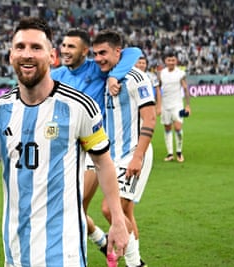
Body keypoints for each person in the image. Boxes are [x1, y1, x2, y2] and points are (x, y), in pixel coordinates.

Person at [0, 17, 129, 267]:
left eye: (36, 48)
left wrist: (118, 220)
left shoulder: (79, 106)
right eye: (20, 47)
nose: (27, 54)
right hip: (15, 250)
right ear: (10, 55)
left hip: (64, 252)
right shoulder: (0, 109)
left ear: (52, 56)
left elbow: (103, 164)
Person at [50, 28, 142, 258]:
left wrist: (113, 75)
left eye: (72, 46)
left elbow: (133, 53)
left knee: (90, 208)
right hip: (67, 152)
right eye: (63, 45)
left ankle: (128, 258)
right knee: (71, 209)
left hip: (94, 150)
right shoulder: (56, 76)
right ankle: (101, 240)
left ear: (85, 51)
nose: (65, 50)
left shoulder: (97, 69)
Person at [92, 29, 156, 267]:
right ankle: (135, 263)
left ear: (118, 52)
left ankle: (135, 263)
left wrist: (137, 157)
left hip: (133, 154)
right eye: (95, 53)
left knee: (110, 209)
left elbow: (150, 119)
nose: (98, 58)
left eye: (103, 53)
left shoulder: (136, 78)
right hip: (112, 156)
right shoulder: (106, 75)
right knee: (125, 213)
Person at [156, 51, 190, 162]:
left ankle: (179, 152)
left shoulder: (180, 73)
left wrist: (188, 105)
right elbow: (158, 90)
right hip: (165, 105)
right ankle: (170, 153)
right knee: (167, 128)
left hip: (177, 105)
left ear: (176, 61)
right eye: (169, 60)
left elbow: (185, 88)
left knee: (178, 128)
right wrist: (158, 105)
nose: (171, 62)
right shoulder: (161, 73)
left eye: (173, 60)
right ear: (165, 61)